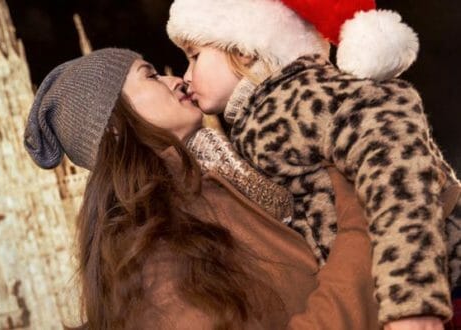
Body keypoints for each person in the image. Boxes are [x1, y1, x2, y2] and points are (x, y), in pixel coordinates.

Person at [23, 48, 379, 329]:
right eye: (150, 76)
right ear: (114, 125)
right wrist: (362, 223)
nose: (176, 79)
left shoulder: (223, 181)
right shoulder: (151, 253)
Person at [165, 0, 461, 328]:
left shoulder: (296, 93)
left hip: (440, 284)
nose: (186, 75)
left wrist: (412, 300)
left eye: (194, 56)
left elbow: (391, 143)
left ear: (244, 50)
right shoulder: (259, 116)